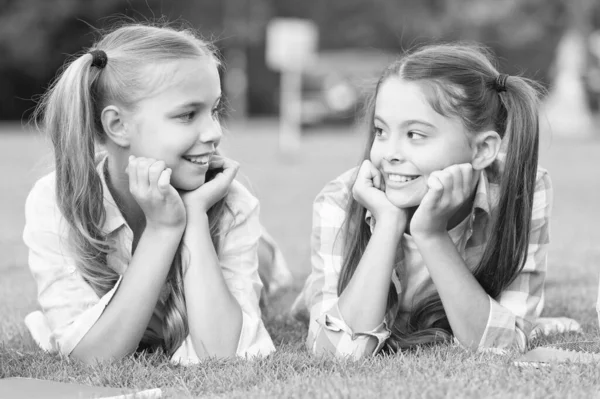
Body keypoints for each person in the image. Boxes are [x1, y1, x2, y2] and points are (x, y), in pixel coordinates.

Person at [291, 42, 580, 359]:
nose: (389, 154)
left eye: (415, 135)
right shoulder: (342, 199)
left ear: (482, 150)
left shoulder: (522, 189)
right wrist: (388, 223)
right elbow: (335, 353)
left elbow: (503, 345)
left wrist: (432, 235)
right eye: (380, 131)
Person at [23, 23, 277, 365]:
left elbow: (222, 354)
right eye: (188, 115)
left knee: (267, 264)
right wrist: (163, 230)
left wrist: (196, 217)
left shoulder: (231, 202)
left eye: (214, 110)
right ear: (118, 126)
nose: (215, 132)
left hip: (257, 255)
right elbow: (92, 356)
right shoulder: (57, 203)